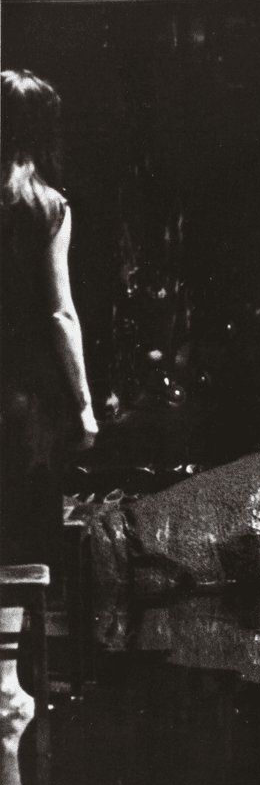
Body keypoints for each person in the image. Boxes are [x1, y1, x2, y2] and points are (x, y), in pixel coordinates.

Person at [1, 70, 96, 728]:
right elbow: (60, 314)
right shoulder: (46, 206)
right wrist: (84, 404)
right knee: (22, 547)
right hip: (25, 401)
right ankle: (16, 688)